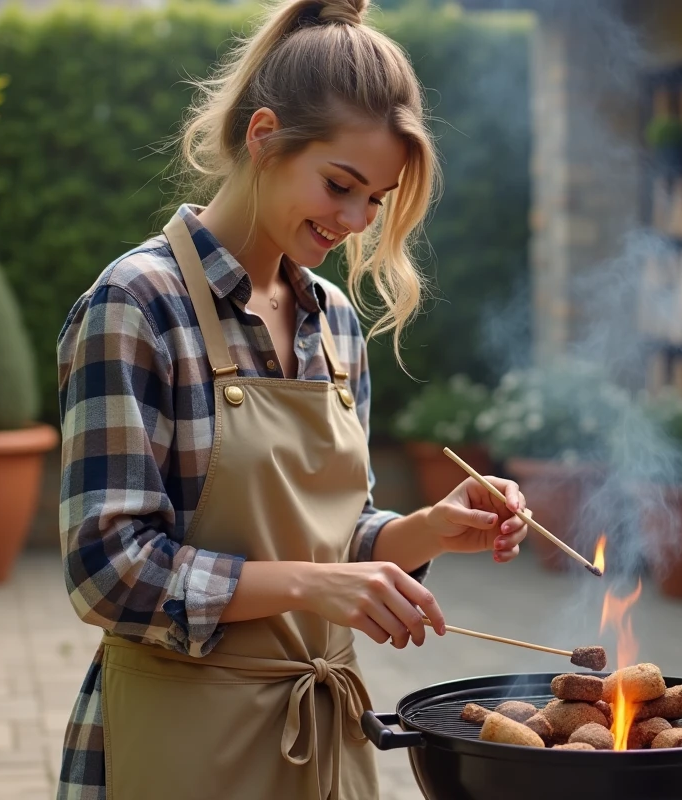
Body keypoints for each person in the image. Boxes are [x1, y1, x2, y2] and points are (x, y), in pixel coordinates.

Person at [54, 1, 531, 798]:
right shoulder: (137, 304)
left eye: (376, 199)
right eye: (340, 185)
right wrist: (311, 585)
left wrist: (429, 529)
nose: (355, 220)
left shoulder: (334, 322)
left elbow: (339, 533)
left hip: (325, 744)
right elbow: (107, 570)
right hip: (179, 746)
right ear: (264, 136)